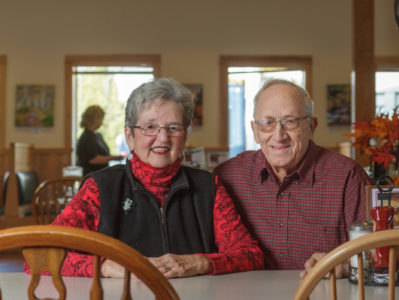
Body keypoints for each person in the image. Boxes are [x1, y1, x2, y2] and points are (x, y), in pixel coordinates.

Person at [39, 78, 263, 278]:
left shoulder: (208, 187)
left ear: (184, 136)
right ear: (130, 136)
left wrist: (201, 262)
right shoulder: (99, 188)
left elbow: (250, 255)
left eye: (173, 127)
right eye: (150, 127)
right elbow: (42, 255)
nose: (163, 138)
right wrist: (106, 266)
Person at [214, 79, 371, 278]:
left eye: (290, 121)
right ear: (255, 130)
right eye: (267, 123)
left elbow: (375, 256)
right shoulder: (228, 176)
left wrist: (346, 266)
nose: (279, 136)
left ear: (312, 126)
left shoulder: (348, 178)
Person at [76, 105, 124, 175]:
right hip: (91, 176)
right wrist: (114, 158)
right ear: (94, 119)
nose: (102, 122)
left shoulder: (98, 135)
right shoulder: (86, 137)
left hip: (101, 174)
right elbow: (93, 159)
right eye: (101, 119)